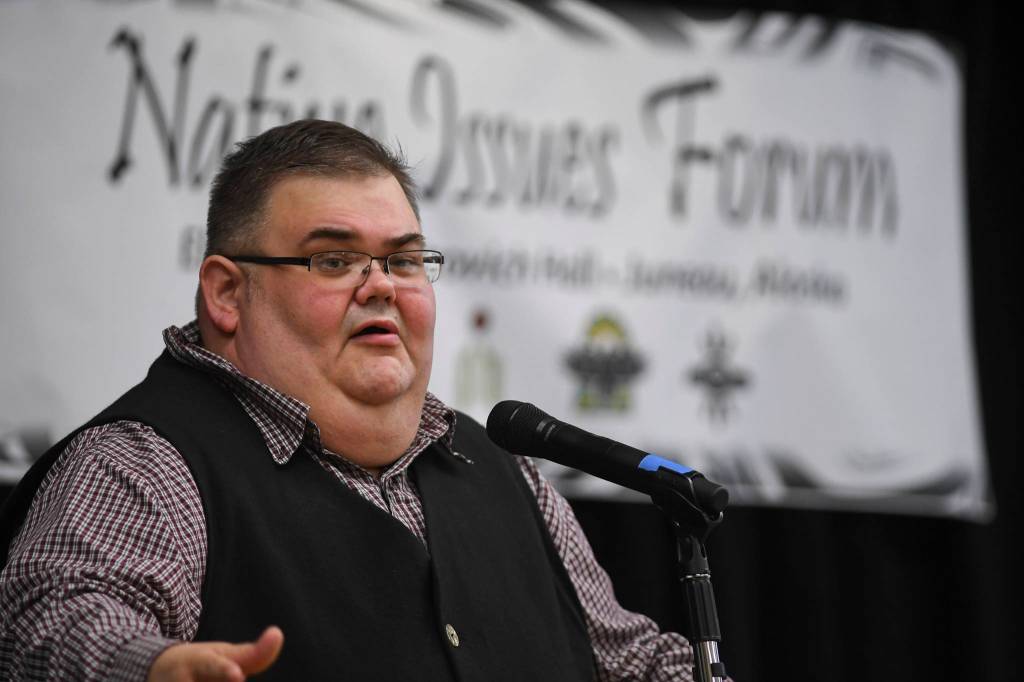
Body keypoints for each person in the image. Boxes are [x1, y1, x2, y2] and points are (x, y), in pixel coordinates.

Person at [0, 120, 695, 681]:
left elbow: (627, 662)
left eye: (402, 260)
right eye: (333, 260)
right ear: (227, 294)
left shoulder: (507, 475)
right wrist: (149, 668)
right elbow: (53, 616)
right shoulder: (151, 462)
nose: (381, 285)